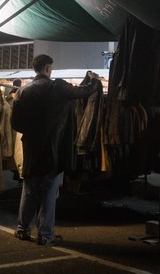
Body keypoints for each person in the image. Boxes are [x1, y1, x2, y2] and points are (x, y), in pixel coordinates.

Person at [11, 54, 99, 246]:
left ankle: (23, 229)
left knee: (29, 187)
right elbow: (85, 91)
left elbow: (15, 123)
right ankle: (45, 234)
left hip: (31, 146)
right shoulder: (58, 87)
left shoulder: (23, 91)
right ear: (48, 68)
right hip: (54, 146)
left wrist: (32, 131)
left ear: (35, 68)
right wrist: (94, 80)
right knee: (49, 189)